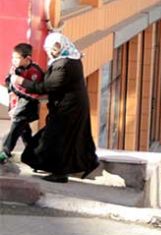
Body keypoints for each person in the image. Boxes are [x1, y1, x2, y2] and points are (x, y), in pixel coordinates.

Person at [10, 32, 99, 183]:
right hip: (70, 107)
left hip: (68, 108)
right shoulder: (70, 58)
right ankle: (88, 163)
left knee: (56, 140)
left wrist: (20, 81)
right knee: (73, 138)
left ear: (62, 46)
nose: (52, 52)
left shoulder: (63, 64)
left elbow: (47, 86)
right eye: (51, 48)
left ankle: (60, 173)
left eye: (55, 48)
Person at [0, 43, 45, 164]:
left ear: (27, 58)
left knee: (16, 126)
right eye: (12, 57)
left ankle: (5, 151)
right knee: (25, 132)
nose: (13, 60)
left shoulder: (35, 71)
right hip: (16, 103)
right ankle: (34, 156)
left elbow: (35, 91)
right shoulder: (15, 69)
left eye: (17, 58)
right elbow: (9, 82)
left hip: (27, 105)